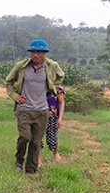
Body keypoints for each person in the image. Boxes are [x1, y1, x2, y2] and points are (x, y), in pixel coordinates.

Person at [5, 39, 65, 174]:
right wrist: (15, 96)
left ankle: (31, 170)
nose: (35, 55)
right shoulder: (21, 66)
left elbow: (61, 76)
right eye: (33, 52)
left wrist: (53, 88)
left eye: (38, 53)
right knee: (25, 137)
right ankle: (19, 160)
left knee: (36, 142)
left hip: (42, 111)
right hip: (24, 109)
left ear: (44, 54)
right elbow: (8, 81)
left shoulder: (51, 66)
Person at [38, 85, 66, 166]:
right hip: (38, 115)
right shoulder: (38, 83)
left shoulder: (57, 88)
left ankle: (56, 154)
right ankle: (38, 159)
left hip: (52, 116)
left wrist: (60, 118)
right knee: (37, 137)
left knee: (52, 136)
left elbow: (61, 103)